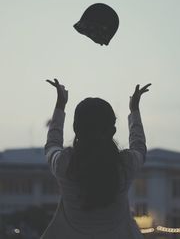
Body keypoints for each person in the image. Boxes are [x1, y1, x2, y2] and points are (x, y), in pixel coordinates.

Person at [40, 79, 151, 239]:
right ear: (112, 130)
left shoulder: (65, 164)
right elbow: (139, 146)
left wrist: (60, 106)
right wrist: (134, 110)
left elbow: (52, 145)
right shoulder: (125, 164)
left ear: (76, 129)